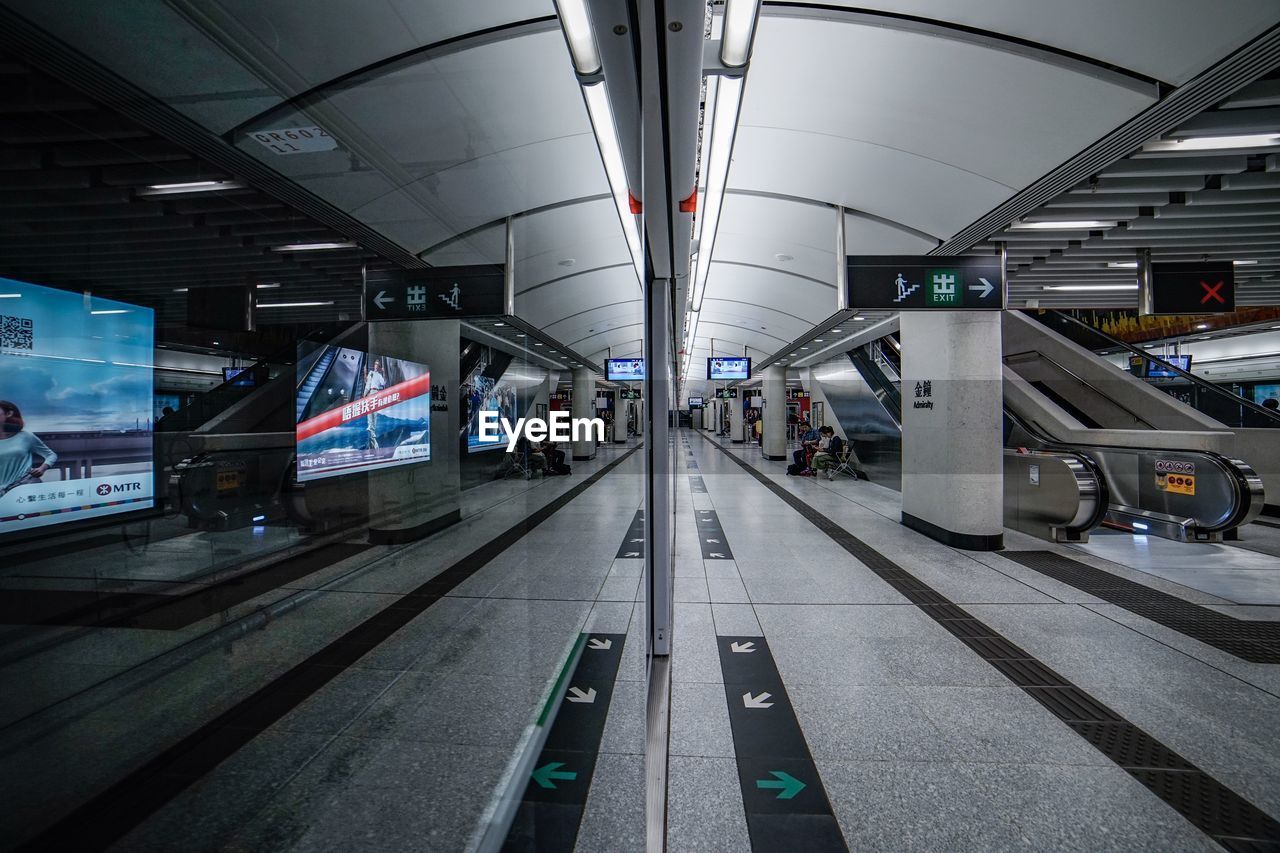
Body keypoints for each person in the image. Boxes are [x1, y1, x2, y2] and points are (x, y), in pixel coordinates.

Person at [0, 400, 57, 497]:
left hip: (26, 487)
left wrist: (42, 468)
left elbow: (51, 455)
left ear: (9, 414)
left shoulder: (26, 436)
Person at [364, 358, 388, 448]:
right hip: (371, 391)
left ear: (379, 367)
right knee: (370, 410)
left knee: (375, 412)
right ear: (374, 365)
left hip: (377, 392)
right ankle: (370, 428)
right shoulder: (371, 373)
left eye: (378, 365)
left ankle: (372, 431)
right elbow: (367, 384)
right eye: (375, 364)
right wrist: (365, 394)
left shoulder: (379, 375)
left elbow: (383, 383)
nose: (376, 366)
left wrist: (384, 373)